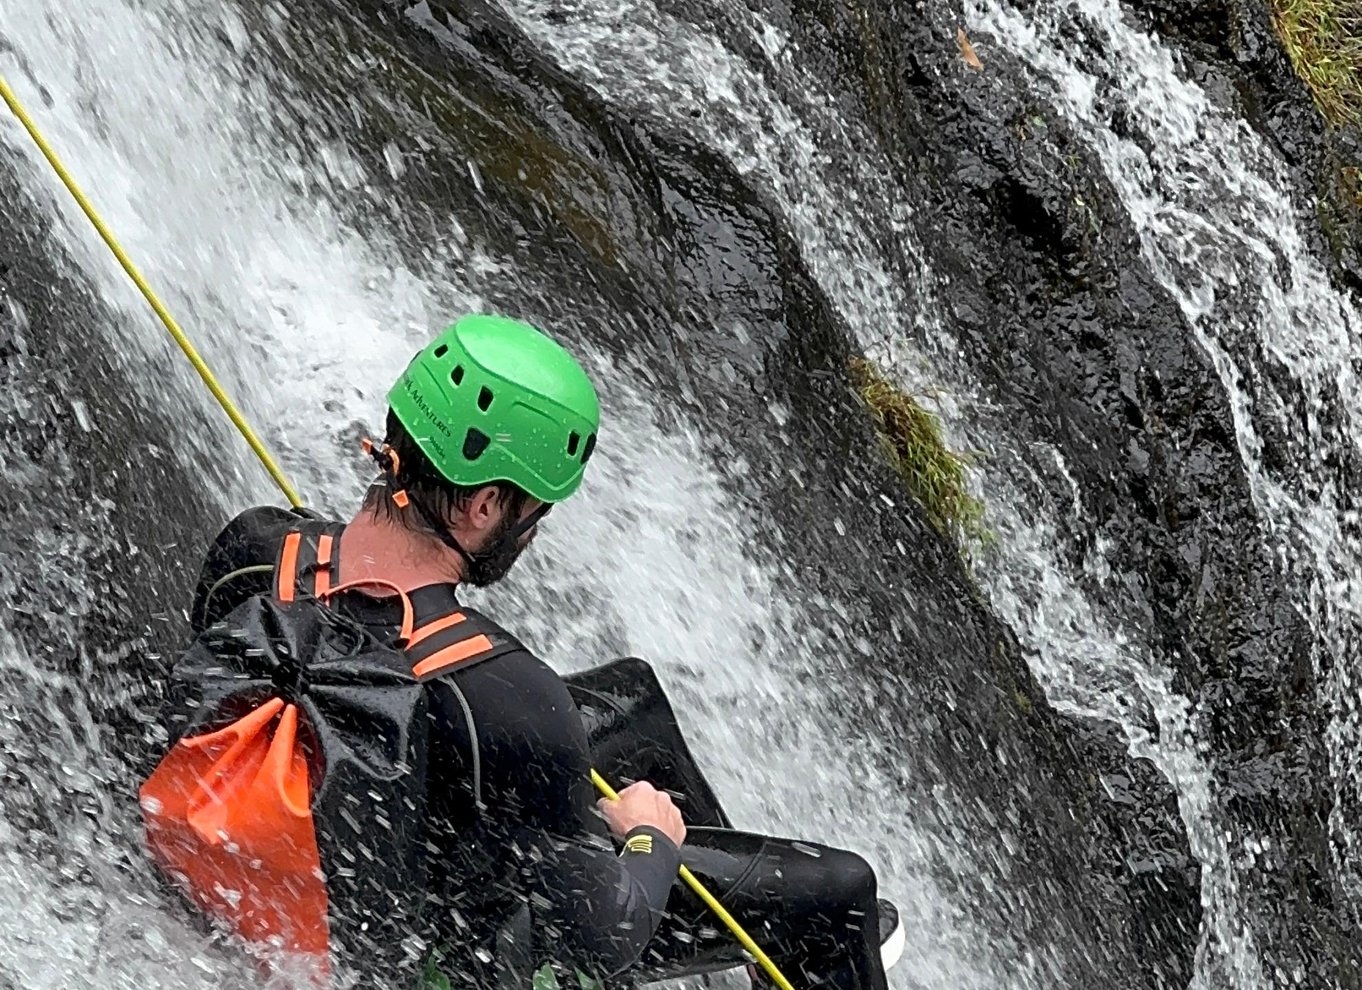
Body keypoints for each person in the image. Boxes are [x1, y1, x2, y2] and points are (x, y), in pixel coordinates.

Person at [139, 314, 902, 990]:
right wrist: (650, 840)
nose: (533, 532)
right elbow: (601, 938)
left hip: (281, 875)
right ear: (482, 505)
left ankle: (727, 931)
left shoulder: (256, 548)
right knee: (842, 892)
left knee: (632, 694)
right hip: (452, 951)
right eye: (534, 511)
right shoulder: (505, 694)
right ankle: (770, 934)